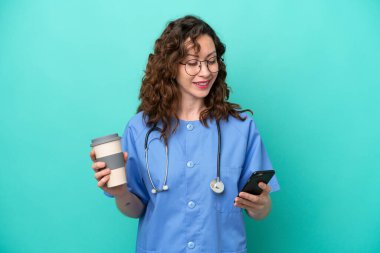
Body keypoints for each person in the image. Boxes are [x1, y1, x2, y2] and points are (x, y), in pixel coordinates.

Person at [90, 15, 280, 253]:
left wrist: (260, 205)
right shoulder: (141, 129)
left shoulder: (241, 128)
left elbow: (260, 210)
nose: (205, 71)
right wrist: (119, 193)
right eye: (192, 62)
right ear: (170, 66)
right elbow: (135, 209)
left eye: (211, 61)